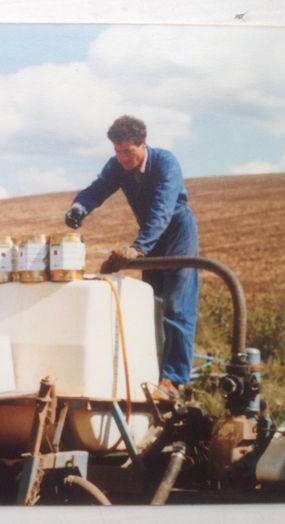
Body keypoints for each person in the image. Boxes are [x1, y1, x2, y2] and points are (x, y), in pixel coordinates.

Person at [65, 115, 199, 399]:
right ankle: (151, 372)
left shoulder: (166, 163)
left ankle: (173, 380)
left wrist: (139, 248)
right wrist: (79, 207)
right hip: (151, 237)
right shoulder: (117, 166)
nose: (122, 158)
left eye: (128, 151)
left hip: (177, 232)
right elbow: (99, 188)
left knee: (177, 305)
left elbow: (163, 210)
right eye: (117, 151)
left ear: (143, 144)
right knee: (153, 304)